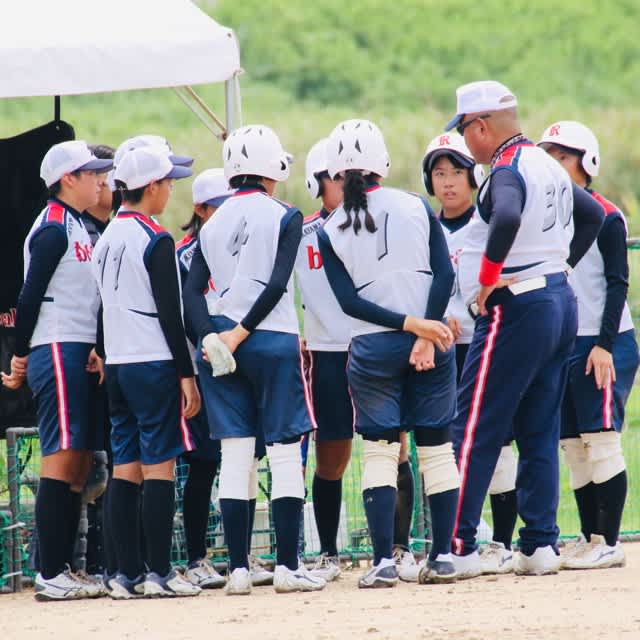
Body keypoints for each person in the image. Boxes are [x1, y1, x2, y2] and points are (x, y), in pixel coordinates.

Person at [445, 80, 605, 577]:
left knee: (476, 424)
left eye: (465, 131)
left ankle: (458, 546)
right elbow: (594, 215)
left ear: (481, 127)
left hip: (518, 304)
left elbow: (509, 215)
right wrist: (562, 265)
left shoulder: (508, 167)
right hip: (558, 298)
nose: (466, 142)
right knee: (539, 427)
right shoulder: (546, 163)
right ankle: (539, 545)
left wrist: (488, 278)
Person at [183, 124, 326, 595]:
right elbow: (278, 282)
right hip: (272, 339)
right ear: (273, 168)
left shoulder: (212, 223)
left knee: (234, 453)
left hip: (221, 345)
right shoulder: (286, 215)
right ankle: (287, 566)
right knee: (284, 453)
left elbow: (191, 293)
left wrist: (211, 337)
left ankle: (239, 570)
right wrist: (243, 331)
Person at [318, 118, 461, 588]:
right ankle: (442, 557)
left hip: (372, 347)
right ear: (382, 162)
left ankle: (382, 563)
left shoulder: (330, 229)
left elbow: (349, 302)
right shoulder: (417, 205)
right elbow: (444, 276)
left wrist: (408, 327)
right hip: (432, 341)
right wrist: (424, 331)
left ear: (336, 171)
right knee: (437, 450)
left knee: (380, 452)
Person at [297, 139, 423, 582]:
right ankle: (328, 554)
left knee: (395, 448)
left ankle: (398, 548)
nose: (343, 184)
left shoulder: (381, 219)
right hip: (329, 353)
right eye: (334, 178)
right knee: (332, 457)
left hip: (378, 345)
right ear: (317, 184)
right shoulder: (305, 233)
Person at [1, 140, 112, 600]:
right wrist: (21, 353)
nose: (100, 182)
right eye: (92, 174)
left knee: (79, 464)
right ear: (68, 179)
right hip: (58, 347)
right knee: (62, 458)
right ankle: (50, 573)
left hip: (76, 349)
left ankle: (64, 567)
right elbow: (29, 297)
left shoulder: (78, 224)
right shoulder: (52, 227)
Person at [92, 145, 201, 598]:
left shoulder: (105, 238)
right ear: (152, 186)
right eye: (169, 183)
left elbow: (102, 307)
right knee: (159, 468)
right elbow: (171, 314)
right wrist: (187, 374)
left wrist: (103, 350)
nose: (171, 190)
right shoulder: (155, 238)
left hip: (118, 364)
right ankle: (160, 572)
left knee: (125, 467)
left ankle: (126, 574)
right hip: (153, 362)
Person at [538, 120, 639, 569]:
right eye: (549, 157)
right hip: (563, 342)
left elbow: (618, 284)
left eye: (563, 156)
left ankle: (609, 542)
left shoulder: (606, 215)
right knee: (572, 445)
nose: (555, 164)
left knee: (600, 441)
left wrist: (603, 346)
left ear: (587, 161)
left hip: (604, 341)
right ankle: (588, 535)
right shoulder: (547, 217)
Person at [422, 133, 517, 574]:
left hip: (486, 340)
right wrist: (436, 318)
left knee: (497, 441)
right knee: (448, 444)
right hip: (442, 347)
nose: (448, 182)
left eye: (457, 172)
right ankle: (461, 536)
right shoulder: (425, 227)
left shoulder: (487, 221)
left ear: (473, 176)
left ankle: (502, 541)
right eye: (439, 173)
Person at [176, 168, 231, 589]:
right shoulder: (182, 255)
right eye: (219, 207)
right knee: (203, 465)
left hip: (238, 368)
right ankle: (197, 557)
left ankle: (240, 553)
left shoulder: (238, 246)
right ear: (201, 209)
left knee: (242, 459)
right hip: (198, 371)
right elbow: (182, 316)